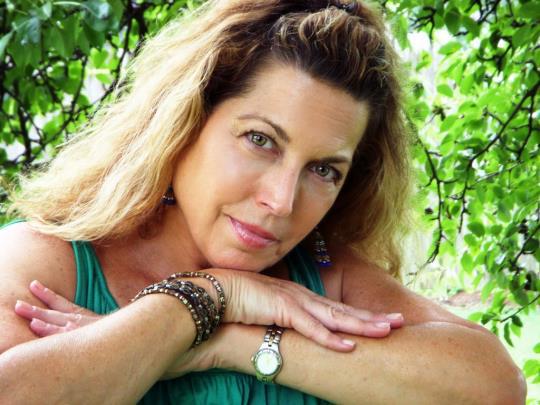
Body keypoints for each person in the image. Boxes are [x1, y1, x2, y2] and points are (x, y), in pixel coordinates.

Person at [0, 0, 525, 403]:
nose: (281, 201)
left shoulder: (326, 274)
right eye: (260, 140)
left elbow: (494, 386)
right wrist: (201, 298)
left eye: (323, 170)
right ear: (186, 120)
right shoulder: (46, 261)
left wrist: (227, 342)